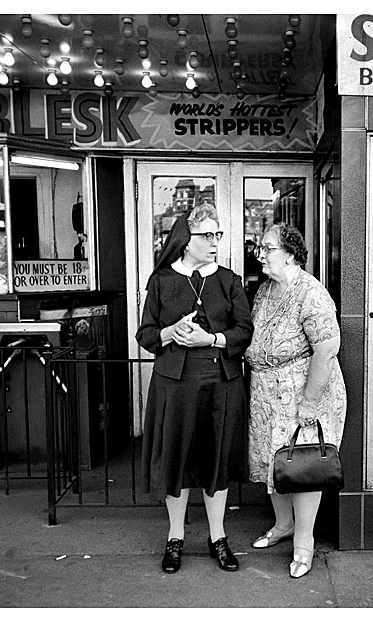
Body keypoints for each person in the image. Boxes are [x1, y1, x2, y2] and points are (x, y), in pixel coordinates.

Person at [135, 204, 253, 575]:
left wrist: (211, 338)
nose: (215, 242)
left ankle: (217, 537)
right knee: (177, 459)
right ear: (186, 241)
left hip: (221, 383)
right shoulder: (162, 281)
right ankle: (175, 538)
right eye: (207, 236)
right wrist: (171, 332)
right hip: (175, 385)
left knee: (215, 459)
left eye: (218, 234)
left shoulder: (229, 280)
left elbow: (244, 330)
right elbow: (146, 335)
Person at [245, 223, 347, 579]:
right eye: (260, 246)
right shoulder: (265, 290)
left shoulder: (311, 293)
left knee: (303, 468)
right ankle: (283, 524)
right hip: (267, 395)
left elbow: (327, 347)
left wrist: (309, 402)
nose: (260, 253)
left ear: (290, 254)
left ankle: (304, 543)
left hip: (303, 394)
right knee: (274, 464)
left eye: (267, 247)